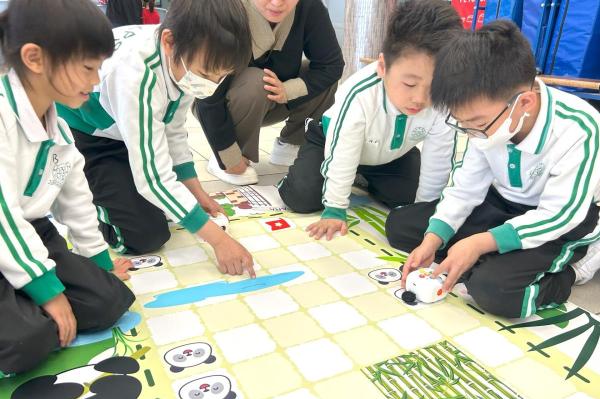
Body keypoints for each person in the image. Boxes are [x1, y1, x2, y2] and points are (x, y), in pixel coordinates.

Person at [386, 20, 600, 319]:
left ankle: (575, 268)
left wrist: (479, 243)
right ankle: (491, 256)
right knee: (401, 226)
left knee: (494, 291)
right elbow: (465, 188)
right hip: (501, 203)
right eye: (463, 124)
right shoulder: (487, 118)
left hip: (560, 220)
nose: (472, 132)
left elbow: (560, 214)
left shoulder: (579, 127)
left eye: (478, 124)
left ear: (524, 102)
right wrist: (433, 239)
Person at [57, 0, 256, 277]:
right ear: (169, 42)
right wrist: (219, 241)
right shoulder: (135, 74)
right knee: (142, 236)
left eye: (221, 76)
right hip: (86, 134)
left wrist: (196, 192)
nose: (212, 84)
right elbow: (152, 178)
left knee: (168, 204)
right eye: (205, 74)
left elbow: (173, 129)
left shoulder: (184, 58)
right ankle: (84, 192)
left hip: (127, 131)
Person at [0, 0, 135, 375]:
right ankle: (23, 303)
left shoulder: (57, 126)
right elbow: (3, 218)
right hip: (5, 229)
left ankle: (21, 293)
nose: (95, 81)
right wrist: (47, 290)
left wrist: (99, 262)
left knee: (109, 301)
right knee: (27, 342)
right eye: (88, 68)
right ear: (35, 58)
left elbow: (76, 200)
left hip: (29, 232)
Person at [279, 0, 462, 240]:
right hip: (332, 142)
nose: (419, 98)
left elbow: (439, 159)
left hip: (391, 153)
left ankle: (361, 177)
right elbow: (343, 151)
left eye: (434, 86)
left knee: (410, 197)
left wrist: (422, 212)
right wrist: (335, 208)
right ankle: (306, 177)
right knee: (302, 196)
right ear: (383, 67)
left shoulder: (443, 99)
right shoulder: (360, 95)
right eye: (409, 84)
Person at [193, 0, 344, 185]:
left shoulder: (309, 6)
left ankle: (292, 143)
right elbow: (206, 91)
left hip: (275, 100)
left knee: (323, 79)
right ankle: (231, 155)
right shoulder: (225, 9)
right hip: (223, 104)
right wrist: (227, 157)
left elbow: (331, 65)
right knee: (257, 80)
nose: (277, 3)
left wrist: (289, 90)